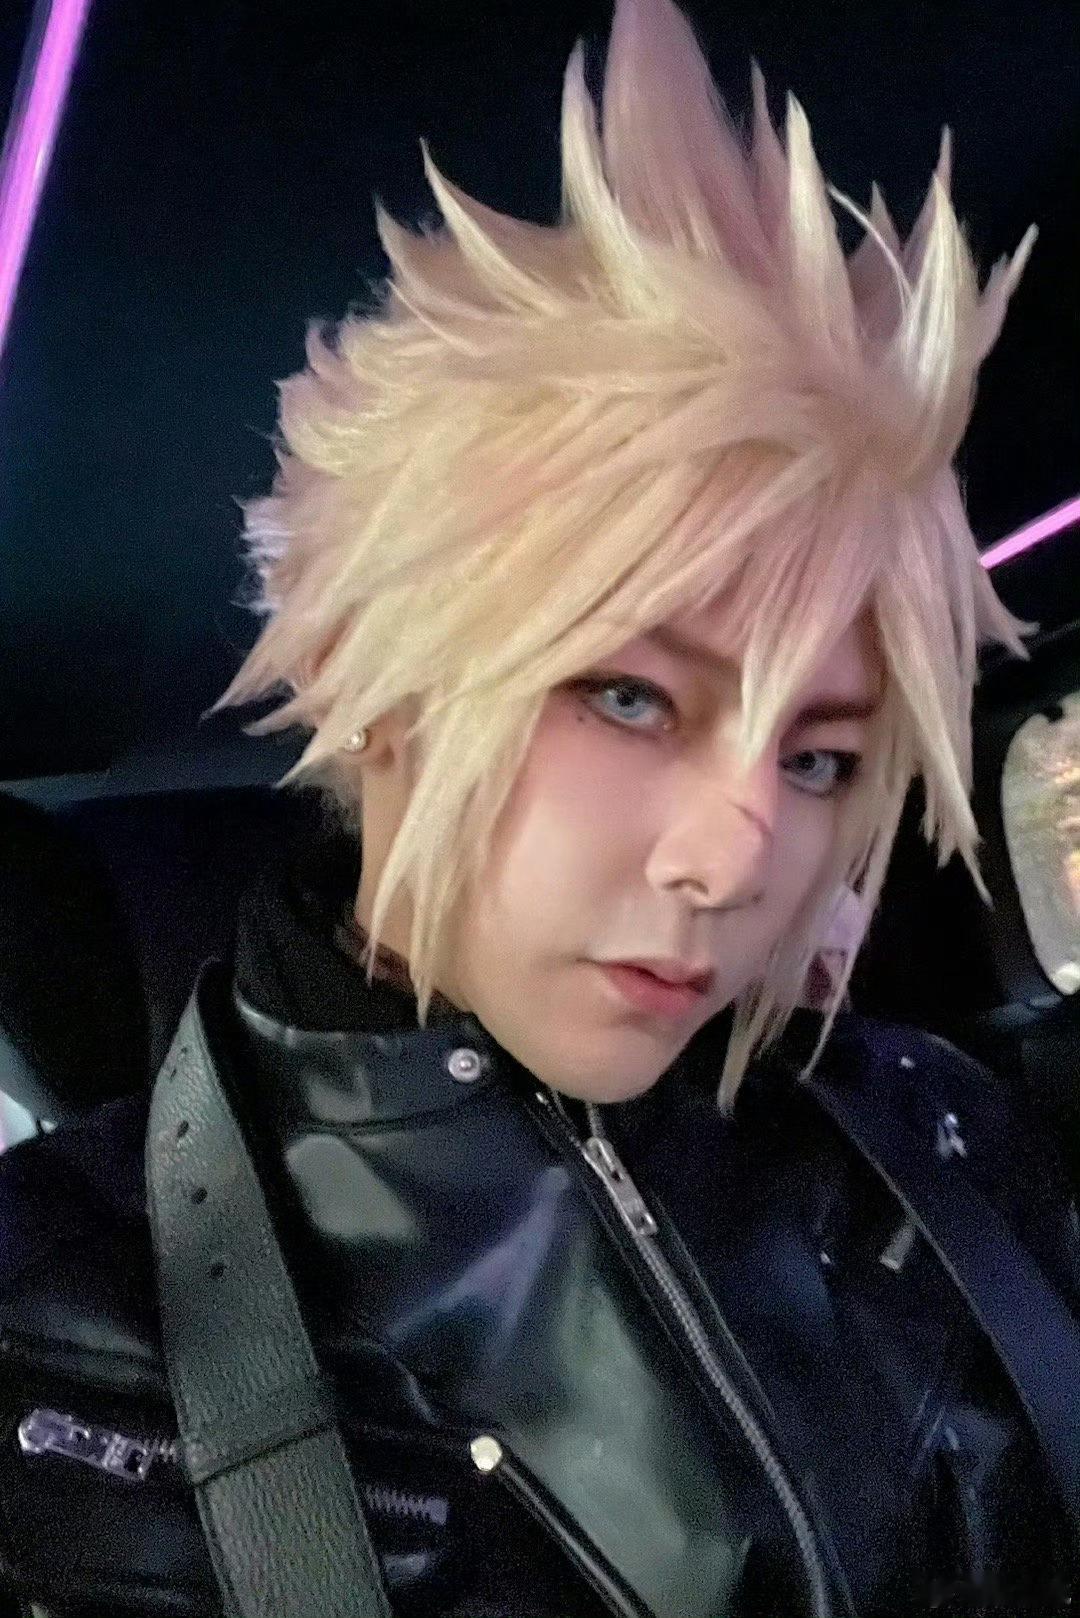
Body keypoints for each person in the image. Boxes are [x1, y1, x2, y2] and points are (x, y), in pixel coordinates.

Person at [1, 0, 1078, 1613]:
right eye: (628, 695)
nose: (732, 860)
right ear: (373, 678)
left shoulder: (941, 1136)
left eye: (818, 758)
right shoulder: (57, 1321)